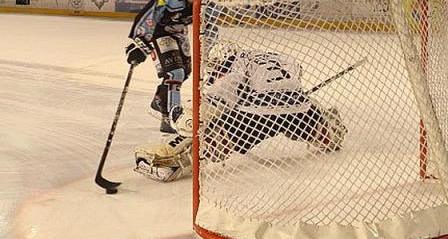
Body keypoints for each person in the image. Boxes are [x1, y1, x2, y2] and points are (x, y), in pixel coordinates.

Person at [133, 42, 349, 183]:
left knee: (217, 137)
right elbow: (295, 72)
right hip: (299, 106)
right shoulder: (269, 55)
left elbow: (221, 96)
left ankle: (173, 162)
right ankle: (325, 128)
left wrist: (189, 112)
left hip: (257, 114)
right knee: (302, 119)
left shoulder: (235, 63)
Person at [125, 0, 208, 134]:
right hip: (159, 32)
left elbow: (210, 27)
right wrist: (140, 44)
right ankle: (170, 118)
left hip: (179, 33)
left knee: (185, 72)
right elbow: (150, 16)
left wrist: (213, 51)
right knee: (174, 73)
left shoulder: (207, 2)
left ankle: (159, 100)